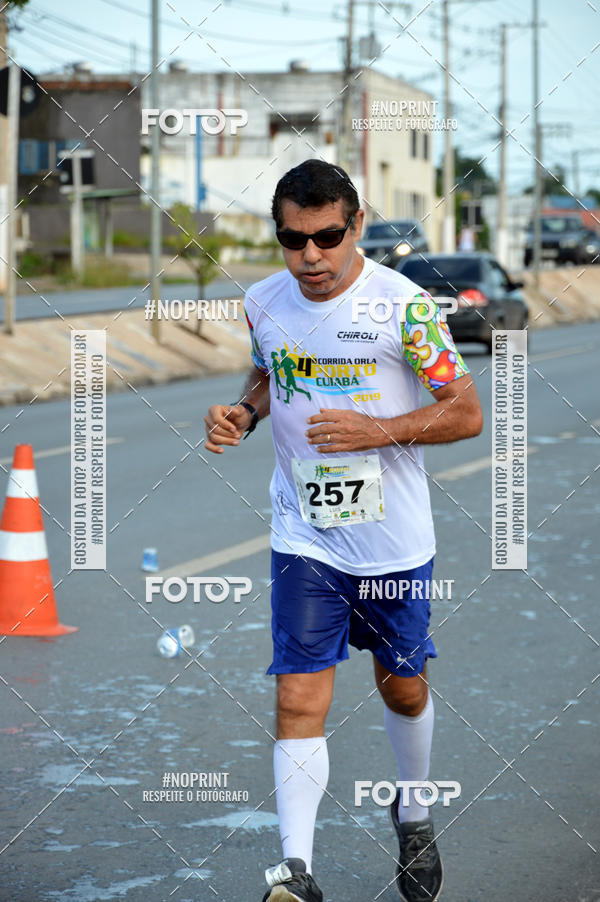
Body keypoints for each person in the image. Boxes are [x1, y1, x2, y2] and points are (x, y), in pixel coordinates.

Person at [204, 159, 483, 902]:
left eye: (327, 236)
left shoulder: (406, 309)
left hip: (394, 543)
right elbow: (270, 372)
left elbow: (465, 411)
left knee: (403, 689)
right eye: (294, 241)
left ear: (356, 225)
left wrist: (377, 431)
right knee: (298, 697)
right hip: (307, 537)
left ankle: (414, 810)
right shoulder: (264, 302)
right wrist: (244, 412)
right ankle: (296, 869)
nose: (312, 257)